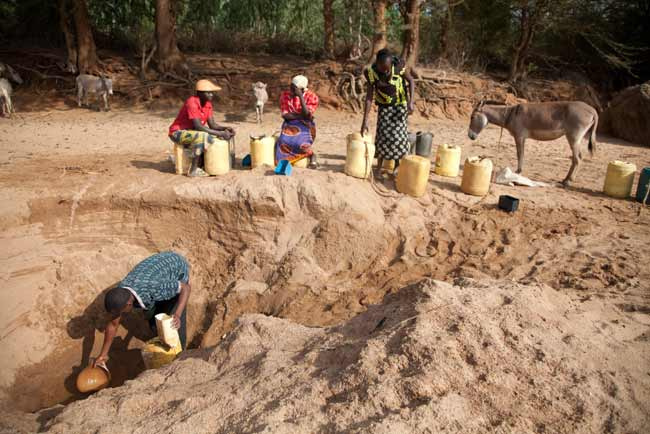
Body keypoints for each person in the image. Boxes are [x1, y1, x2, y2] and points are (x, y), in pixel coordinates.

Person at [93, 252, 191, 369]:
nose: (121, 315)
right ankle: (161, 342)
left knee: (172, 325)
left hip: (177, 269)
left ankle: (179, 360)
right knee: (155, 321)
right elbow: (113, 325)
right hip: (157, 273)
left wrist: (177, 315)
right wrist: (102, 356)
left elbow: (186, 288)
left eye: (122, 312)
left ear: (129, 304)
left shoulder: (153, 288)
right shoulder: (121, 292)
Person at [360, 49, 415, 177]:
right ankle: (378, 167)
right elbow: (369, 97)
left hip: (400, 107)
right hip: (384, 108)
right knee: (382, 137)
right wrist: (365, 120)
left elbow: (411, 81)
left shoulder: (399, 68)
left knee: (398, 137)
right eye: (382, 67)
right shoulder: (372, 73)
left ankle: (397, 166)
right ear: (377, 63)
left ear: (391, 64)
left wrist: (411, 102)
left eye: (387, 68)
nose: (385, 70)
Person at [169, 79, 235, 177]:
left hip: (192, 132)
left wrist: (225, 129)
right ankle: (193, 171)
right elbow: (198, 126)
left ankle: (207, 164)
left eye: (212, 93)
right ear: (200, 93)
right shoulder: (192, 102)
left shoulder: (208, 105)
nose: (211, 95)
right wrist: (221, 134)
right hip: (177, 133)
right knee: (203, 136)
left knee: (214, 136)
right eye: (209, 93)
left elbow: (212, 125)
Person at [275, 75, 319, 168]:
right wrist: (301, 116)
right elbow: (286, 115)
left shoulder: (312, 97)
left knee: (301, 143)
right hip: (290, 123)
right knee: (283, 140)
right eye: (291, 86)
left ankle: (311, 155)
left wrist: (300, 97)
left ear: (302, 90)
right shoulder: (285, 95)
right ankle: (287, 160)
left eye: (293, 88)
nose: (290, 90)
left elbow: (307, 115)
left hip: (306, 125)